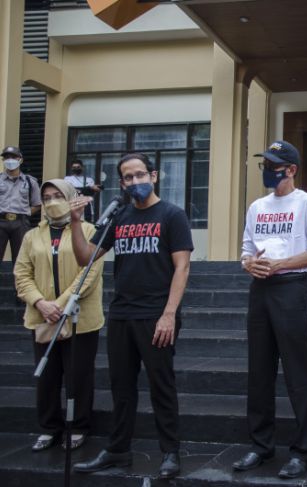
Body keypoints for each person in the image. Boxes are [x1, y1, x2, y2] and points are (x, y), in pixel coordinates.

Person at [70, 153, 193, 479]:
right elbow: (86, 258)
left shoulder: (172, 215)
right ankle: (118, 450)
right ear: (122, 183)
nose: (135, 181)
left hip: (156, 315)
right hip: (122, 314)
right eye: (128, 177)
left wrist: (169, 314)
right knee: (121, 386)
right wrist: (75, 221)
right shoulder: (119, 217)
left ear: (153, 176)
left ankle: (170, 452)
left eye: (140, 174)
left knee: (161, 385)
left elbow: (182, 267)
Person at [233, 140, 307, 479]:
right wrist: (251, 265)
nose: (267, 171)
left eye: (274, 166)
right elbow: (246, 250)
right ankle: (260, 446)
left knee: (297, 372)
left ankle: (303, 452)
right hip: (260, 289)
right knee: (258, 371)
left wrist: (281, 265)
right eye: (265, 165)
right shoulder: (257, 207)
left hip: (290, 288)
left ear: (291, 170)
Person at [14, 179, 104, 453]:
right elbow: (22, 273)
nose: (52, 201)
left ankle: (78, 426)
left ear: (70, 197)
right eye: (47, 197)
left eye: (58, 195)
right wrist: (41, 303)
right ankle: (49, 427)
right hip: (42, 317)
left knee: (78, 375)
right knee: (47, 377)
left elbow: (88, 273)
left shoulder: (89, 231)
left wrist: (62, 304)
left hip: (79, 318)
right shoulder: (32, 236)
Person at [0, 146, 41, 264]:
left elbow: (37, 204)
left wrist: (26, 213)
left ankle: (19, 283)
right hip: (0, 220)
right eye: (6, 157)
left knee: (21, 260)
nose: (10, 160)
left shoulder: (30, 181)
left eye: (13, 157)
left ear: (20, 159)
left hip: (21, 222)